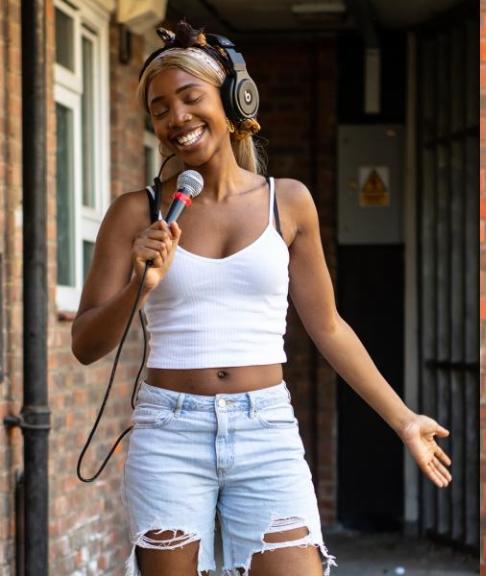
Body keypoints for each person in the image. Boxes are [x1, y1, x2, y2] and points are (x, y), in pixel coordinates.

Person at [71, 21, 451, 576]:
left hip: (265, 429)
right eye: (159, 108)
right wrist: (139, 286)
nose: (176, 117)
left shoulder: (289, 202)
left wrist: (403, 420)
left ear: (233, 101)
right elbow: (84, 344)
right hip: (169, 432)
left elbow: (330, 328)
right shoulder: (137, 213)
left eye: (190, 97)